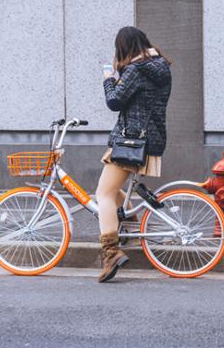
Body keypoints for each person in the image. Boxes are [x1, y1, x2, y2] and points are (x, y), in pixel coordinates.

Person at [96, 26, 172, 282]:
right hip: (151, 139)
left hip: (131, 141)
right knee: (115, 190)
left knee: (103, 194)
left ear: (124, 48)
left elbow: (114, 101)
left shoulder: (135, 70)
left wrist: (108, 77)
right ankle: (129, 226)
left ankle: (111, 253)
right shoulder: (161, 66)